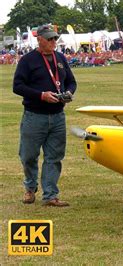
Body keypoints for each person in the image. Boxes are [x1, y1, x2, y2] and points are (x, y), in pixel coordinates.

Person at [13, 24, 77, 207]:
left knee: (54, 157)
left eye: (55, 38)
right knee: (28, 156)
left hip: (58, 116)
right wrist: (41, 95)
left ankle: (50, 195)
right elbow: (17, 86)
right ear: (39, 39)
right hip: (35, 116)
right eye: (49, 39)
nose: (53, 42)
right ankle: (30, 188)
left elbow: (71, 82)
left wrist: (69, 93)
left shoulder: (60, 58)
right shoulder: (28, 60)